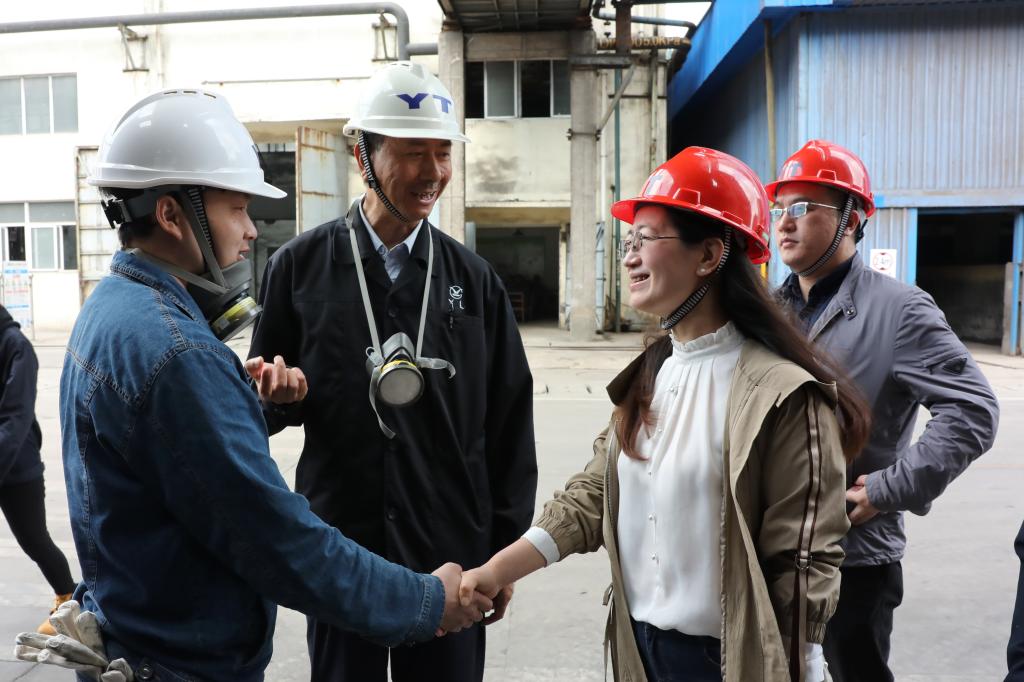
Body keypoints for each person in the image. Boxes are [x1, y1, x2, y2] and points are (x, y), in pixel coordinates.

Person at [48, 89, 489, 681]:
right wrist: (425, 602)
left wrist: (252, 403)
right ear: (171, 215)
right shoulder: (177, 352)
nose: (252, 230)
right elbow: (273, 535)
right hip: (182, 661)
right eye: (237, 209)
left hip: (145, 633)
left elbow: (184, 465)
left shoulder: (112, 310)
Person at [459, 147, 872, 682]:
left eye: (646, 240)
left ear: (709, 255)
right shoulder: (651, 374)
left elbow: (802, 563)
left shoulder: (783, 395)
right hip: (638, 649)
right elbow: (592, 496)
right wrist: (495, 570)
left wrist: (806, 669)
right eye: (628, 242)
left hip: (726, 663)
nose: (629, 258)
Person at [248, 60, 537, 682]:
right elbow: (263, 408)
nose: (432, 172)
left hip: (451, 553)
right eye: (412, 153)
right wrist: (277, 399)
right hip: (340, 549)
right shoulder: (298, 268)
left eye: (443, 153)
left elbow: (510, 421)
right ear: (364, 156)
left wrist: (505, 552)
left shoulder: (474, 281)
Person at [768, 139, 999, 682]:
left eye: (803, 207)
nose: (784, 223)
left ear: (851, 220)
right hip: (774, 548)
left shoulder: (899, 310)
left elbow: (972, 411)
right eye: (779, 208)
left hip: (853, 560)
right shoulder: (771, 312)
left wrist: (886, 489)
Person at [0, 303, 77, 634]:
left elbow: (16, 417)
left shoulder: (16, 346)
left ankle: (69, 600)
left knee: (34, 540)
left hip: (18, 467)